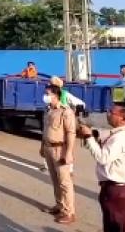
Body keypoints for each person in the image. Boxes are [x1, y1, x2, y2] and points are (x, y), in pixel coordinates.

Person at [77, 106, 125, 232]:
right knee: (114, 223)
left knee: (118, 225)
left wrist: (89, 137)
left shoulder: (121, 138)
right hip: (120, 188)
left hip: (117, 189)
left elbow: (102, 157)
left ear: (123, 118)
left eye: (111, 113)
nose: (108, 114)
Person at [40, 84, 77, 225]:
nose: (45, 96)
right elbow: (46, 130)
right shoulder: (49, 111)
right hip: (49, 148)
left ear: (56, 95)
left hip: (60, 149)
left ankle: (69, 212)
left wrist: (69, 153)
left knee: (64, 182)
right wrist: (42, 146)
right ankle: (59, 205)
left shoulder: (65, 111)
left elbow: (70, 133)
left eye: (47, 93)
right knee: (55, 180)